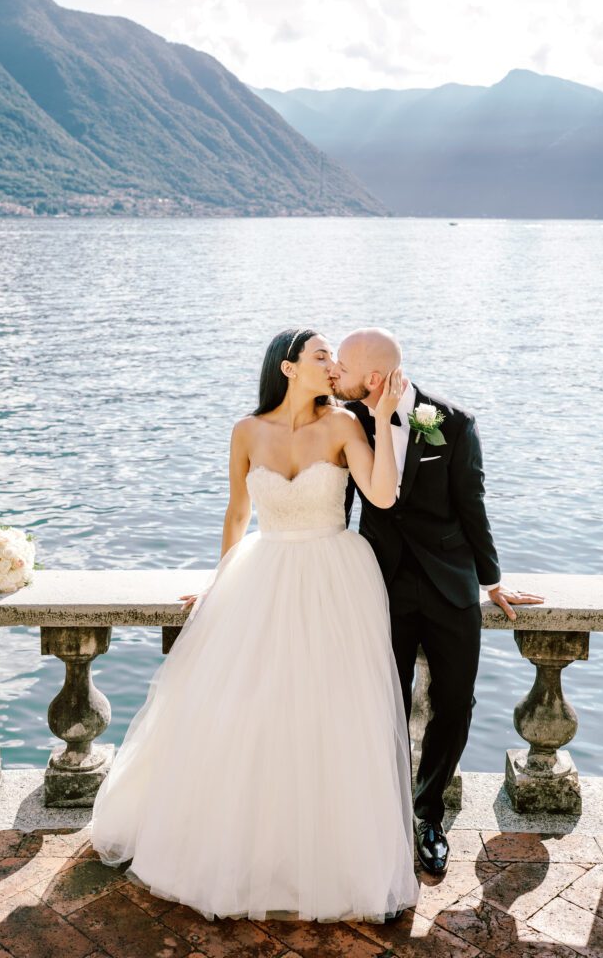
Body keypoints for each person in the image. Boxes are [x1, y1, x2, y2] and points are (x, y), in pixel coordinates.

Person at [90, 327, 420, 924]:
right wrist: (220, 584)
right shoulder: (246, 431)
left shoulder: (346, 425)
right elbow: (238, 512)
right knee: (250, 711)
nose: (333, 364)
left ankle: (328, 859)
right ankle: (247, 849)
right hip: (263, 574)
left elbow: (382, 495)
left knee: (330, 713)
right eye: (322, 355)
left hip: (332, 579)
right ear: (289, 368)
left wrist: (387, 419)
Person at [330, 328, 544, 876]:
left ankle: (428, 815)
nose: (335, 373)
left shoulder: (453, 421)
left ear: (373, 379)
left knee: (454, 701)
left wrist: (492, 581)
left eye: (345, 367)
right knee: (384, 701)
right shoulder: (348, 423)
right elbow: (341, 505)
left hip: (452, 585)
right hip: (381, 584)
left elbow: (472, 505)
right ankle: (383, 812)